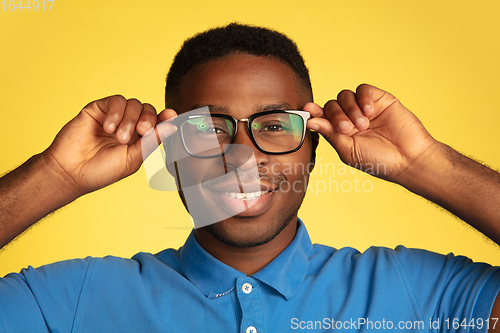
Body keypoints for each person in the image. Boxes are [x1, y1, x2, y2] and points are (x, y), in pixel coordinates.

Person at [1, 23, 499, 332]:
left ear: (314, 148)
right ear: (169, 150)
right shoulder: (74, 301)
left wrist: (426, 164)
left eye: (276, 125)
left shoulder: (418, 294)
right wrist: (57, 173)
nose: (242, 155)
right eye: (210, 128)